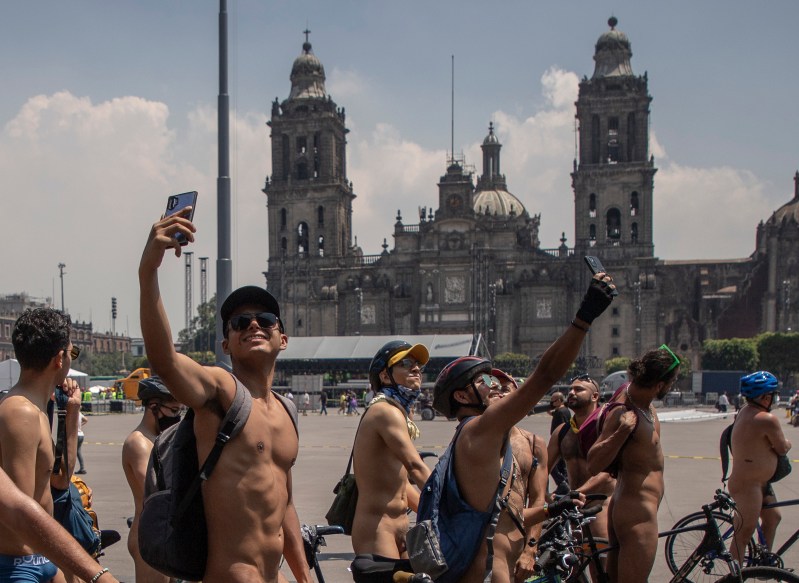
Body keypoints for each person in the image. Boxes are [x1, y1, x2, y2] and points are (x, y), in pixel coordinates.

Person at [139, 211, 311, 583]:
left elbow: (284, 505)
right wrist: (148, 271)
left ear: (283, 338)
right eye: (239, 322)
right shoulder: (221, 391)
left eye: (265, 320)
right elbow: (165, 360)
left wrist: (304, 577)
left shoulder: (288, 412)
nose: (252, 325)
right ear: (226, 344)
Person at [429, 272, 615, 582]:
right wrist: (583, 318)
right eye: (486, 380)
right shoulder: (477, 430)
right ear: (462, 396)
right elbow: (543, 376)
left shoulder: (496, 439)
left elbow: (509, 518)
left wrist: (551, 511)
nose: (497, 386)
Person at [0, 308, 82, 583]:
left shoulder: (37, 409)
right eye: (72, 352)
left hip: (39, 557)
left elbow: (59, 480)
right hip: (17, 565)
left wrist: (70, 417)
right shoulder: (19, 413)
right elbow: (19, 511)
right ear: (59, 358)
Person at [586, 345, 681, 583]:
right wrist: (622, 431)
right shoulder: (623, 411)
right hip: (637, 512)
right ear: (660, 385)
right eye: (670, 383)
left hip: (632, 508)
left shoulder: (640, 400)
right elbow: (593, 462)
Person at [350, 340, 433, 582]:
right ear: (385, 376)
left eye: (418, 364)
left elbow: (400, 482)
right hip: (378, 528)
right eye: (406, 363)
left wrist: (432, 511)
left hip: (402, 527)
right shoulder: (384, 411)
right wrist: (449, 501)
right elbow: (415, 466)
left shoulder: (398, 412)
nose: (416, 368)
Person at [547, 374, 615, 580]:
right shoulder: (563, 431)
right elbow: (542, 468)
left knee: (599, 567)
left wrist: (578, 492)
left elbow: (609, 473)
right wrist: (543, 495)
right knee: (571, 568)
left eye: (579, 389)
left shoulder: (603, 427)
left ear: (595, 396)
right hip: (572, 507)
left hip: (600, 504)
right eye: (571, 389)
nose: (572, 393)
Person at [0, 465, 119, 583]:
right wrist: (99, 575)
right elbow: (18, 511)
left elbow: (63, 479)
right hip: (15, 565)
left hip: (47, 557)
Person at [121, 376, 183, 583]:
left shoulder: (160, 439)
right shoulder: (139, 442)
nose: (177, 417)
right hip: (150, 533)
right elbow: (156, 490)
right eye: (173, 411)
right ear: (154, 407)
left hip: (164, 531)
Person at [490, 369, 549, 582]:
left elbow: (538, 498)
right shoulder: (472, 437)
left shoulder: (533, 444)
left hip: (515, 542)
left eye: (505, 389)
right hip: (478, 543)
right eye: (493, 388)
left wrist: (531, 549)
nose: (498, 393)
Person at [728, 371, 792, 565]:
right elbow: (782, 447)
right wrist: (788, 443)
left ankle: (763, 564)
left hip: (757, 483)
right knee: (743, 534)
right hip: (749, 485)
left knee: (773, 517)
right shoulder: (767, 419)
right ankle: (735, 576)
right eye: (772, 395)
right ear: (765, 397)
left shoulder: (745, 411)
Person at [548, 390, 571, 495]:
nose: (551, 403)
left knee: (552, 466)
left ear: (559, 401)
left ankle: (563, 484)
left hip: (560, 441)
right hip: (565, 441)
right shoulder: (565, 410)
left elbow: (562, 425)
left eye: (553, 401)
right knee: (562, 466)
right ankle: (565, 485)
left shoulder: (560, 412)